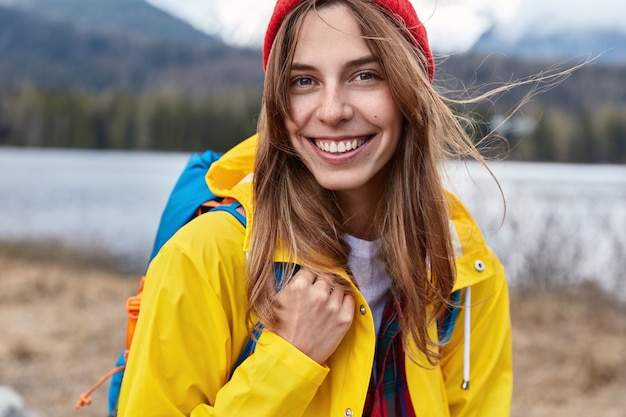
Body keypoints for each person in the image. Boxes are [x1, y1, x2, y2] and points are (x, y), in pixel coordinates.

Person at [117, 0, 512, 416]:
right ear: (277, 105)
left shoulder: (464, 271)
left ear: (410, 91)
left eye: (365, 75)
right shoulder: (205, 257)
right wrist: (286, 361)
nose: (332, 111)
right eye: (304, 81)